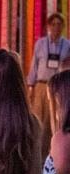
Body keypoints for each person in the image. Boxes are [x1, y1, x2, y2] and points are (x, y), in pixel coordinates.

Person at [27, 12, 67, 158]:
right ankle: (36, 155)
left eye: (59, 24)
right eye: (53, 24)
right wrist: (30, 86)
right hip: (41, 86)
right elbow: (34, 65)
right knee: (38, 120)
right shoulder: (41, 43)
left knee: (54, 121)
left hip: (57, 87)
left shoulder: (67, 45)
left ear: (62, 27)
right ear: (48, 26)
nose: (56, 27)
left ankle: (51, 156)